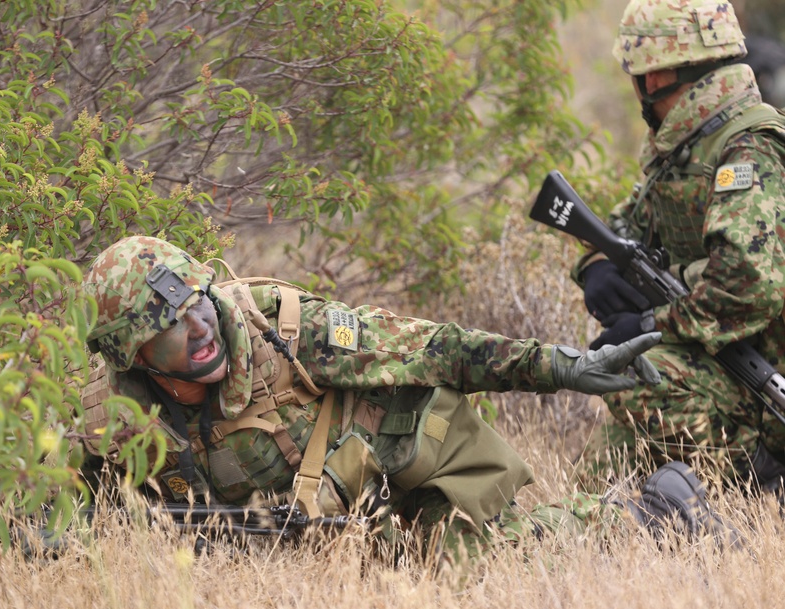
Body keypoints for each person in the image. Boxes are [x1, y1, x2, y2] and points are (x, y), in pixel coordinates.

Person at [78, 235, 729, 560]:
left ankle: (649, 511)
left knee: (476, 567)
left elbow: (431, 347)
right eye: (169, 327)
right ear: (133, 355)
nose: (197, 327)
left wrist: (564, 366)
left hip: (411, 448)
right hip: (332, 511)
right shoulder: (113, 419)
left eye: (196, 305)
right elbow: (77, 506)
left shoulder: (283, 329)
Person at [572, 0, 785, 490]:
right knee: (599, 486)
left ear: (655, 77)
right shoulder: (689, 147)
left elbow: (747, 288)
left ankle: (762, 481)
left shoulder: (747, 149)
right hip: (720, 358)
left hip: (764, 379)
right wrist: (597, 265)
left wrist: (648, 325)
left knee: (636, 369)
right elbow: (625, 226)